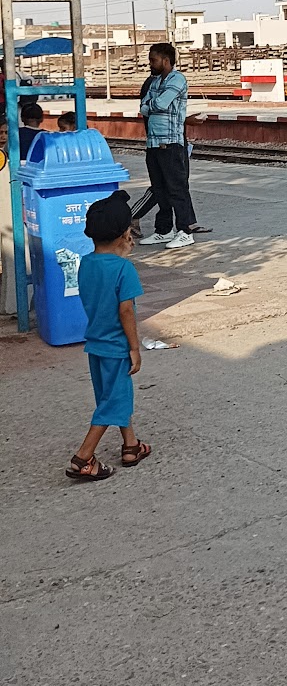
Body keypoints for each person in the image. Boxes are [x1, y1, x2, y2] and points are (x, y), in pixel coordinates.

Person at [66, 192, 150, 482]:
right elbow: (126, 310)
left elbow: (99, 293)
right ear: (125, 234)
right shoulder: (124, 269)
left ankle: (131, 446)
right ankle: (83, 458)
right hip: (117, 346)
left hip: (96, 345)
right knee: (114, 402)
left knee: (112, 397)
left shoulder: (86, 263)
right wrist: (134, 348)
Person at [138, 42, 198, 249]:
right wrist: (152, 105)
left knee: (176, 189)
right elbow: (143, 109)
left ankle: (185, 231)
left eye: (153, 60)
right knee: (160, 189)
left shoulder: (177, 79)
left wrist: (151, 105)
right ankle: (163, 230)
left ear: (165, 60)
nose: (150, 64)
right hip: (153, 143)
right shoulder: (154, 82)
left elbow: (160, 105)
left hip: (171, 143)